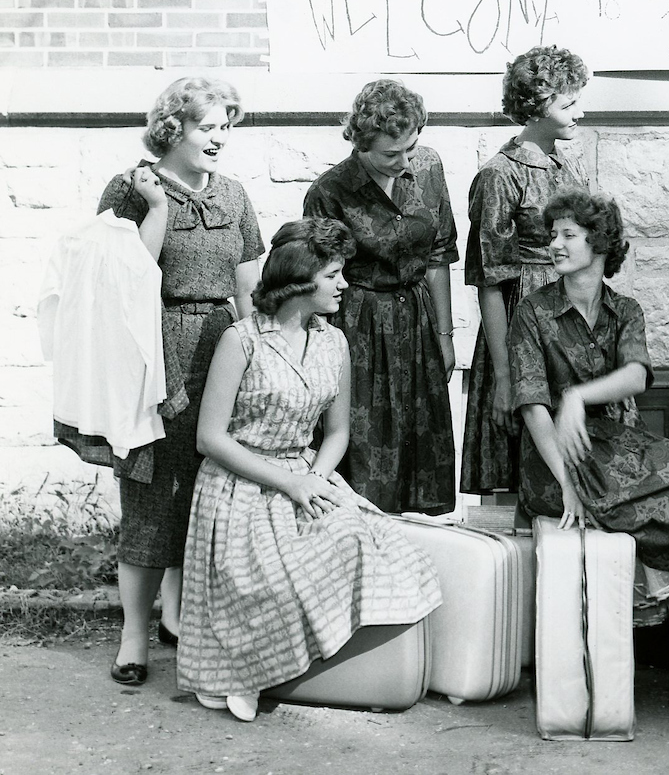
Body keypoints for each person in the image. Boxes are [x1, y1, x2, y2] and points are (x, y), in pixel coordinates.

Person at [178, 218, 442, 721]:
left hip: (308, 472)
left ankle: (333, 671)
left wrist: (315, 481)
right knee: (270, 580)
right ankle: (247, 670)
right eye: (334, 274)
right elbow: (209, 438)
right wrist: (290, 483)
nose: (344, 285)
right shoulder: (242, 340)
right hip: (239, 485)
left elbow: (337, 432)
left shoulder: (333, 342)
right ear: (301, 279)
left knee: (372, 541)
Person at [508, 189, 669, 723]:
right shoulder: (533, 311)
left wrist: (579, 396)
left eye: (568, 235)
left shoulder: (624, 310)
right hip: (554, 461)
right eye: (553, 234)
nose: (555, 244)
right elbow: (531, 407)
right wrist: (567, 482)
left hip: (619, 450)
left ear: (600, 243)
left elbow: (637, 375)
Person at [98, 77, 263, 687]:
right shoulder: (131, 189)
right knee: (149, 493)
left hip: (220, 342)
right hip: (151, 344)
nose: (218, 140)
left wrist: (259, 353)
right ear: (173, 129)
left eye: (225, 128)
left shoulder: (235, 195)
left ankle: (182, 615)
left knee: (206, 488)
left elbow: (247, 281)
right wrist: (161, 208)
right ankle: (134, 637)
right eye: (207, 128)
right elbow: (126, 275)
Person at [303, 80, 458, 515]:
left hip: (418, 323)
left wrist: (445, 336)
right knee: (367, 451)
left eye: (410, 147)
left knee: (421, 449)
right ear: (359, 143)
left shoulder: (428, 167)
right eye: (391, 154)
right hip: (358, 327)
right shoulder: (329, 191)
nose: (404, 162)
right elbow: (316, 277)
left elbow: (439, 255)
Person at [461, 46, 591, 496]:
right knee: (526, 470)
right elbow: (490, 282)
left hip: (571, 317)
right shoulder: (500, 174)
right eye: (568, 103)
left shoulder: (569, 164)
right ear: (537, 107)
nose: (579, 112)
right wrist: (504, 376)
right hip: (523, 322)